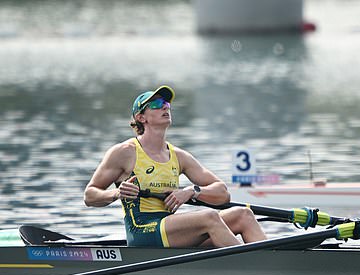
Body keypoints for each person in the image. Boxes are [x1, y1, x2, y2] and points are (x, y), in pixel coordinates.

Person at [84, 85, 266, 248]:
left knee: (244, 215)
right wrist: (116, 193)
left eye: (166, 104)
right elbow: (90, 195)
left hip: (169, 228)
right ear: (141, 117)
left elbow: (222, 193)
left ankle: (272, 261)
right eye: (155, 105)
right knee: (209, 217)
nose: (164, 107)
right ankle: (256, 266)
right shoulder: (124, 152)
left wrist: (192, 191)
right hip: (142, 229)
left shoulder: (179, 156)